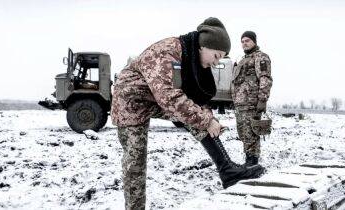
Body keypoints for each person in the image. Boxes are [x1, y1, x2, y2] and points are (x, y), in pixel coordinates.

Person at [111, 18, 264, 210]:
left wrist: (208, 117)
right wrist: (207, 121)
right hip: (130, 102)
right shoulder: (168, 52)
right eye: (216, 56)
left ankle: (227, 170)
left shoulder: (188, 55)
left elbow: (187, 99)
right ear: (203, 46)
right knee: (136, 163)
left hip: (154, 97)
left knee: (198, 116)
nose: (216, 63)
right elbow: (171, 98)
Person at [232, 31, 273, 166]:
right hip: (240, 103)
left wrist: (262, 99)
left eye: (247, 41)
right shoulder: (242, 59)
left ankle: (252, 162)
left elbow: (265, 78)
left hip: (251, 103)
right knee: (243, 132)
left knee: (251, 133)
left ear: (254, 41)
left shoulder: (260, 57)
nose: (244, 43)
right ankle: (248, 160)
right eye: (242, 41)